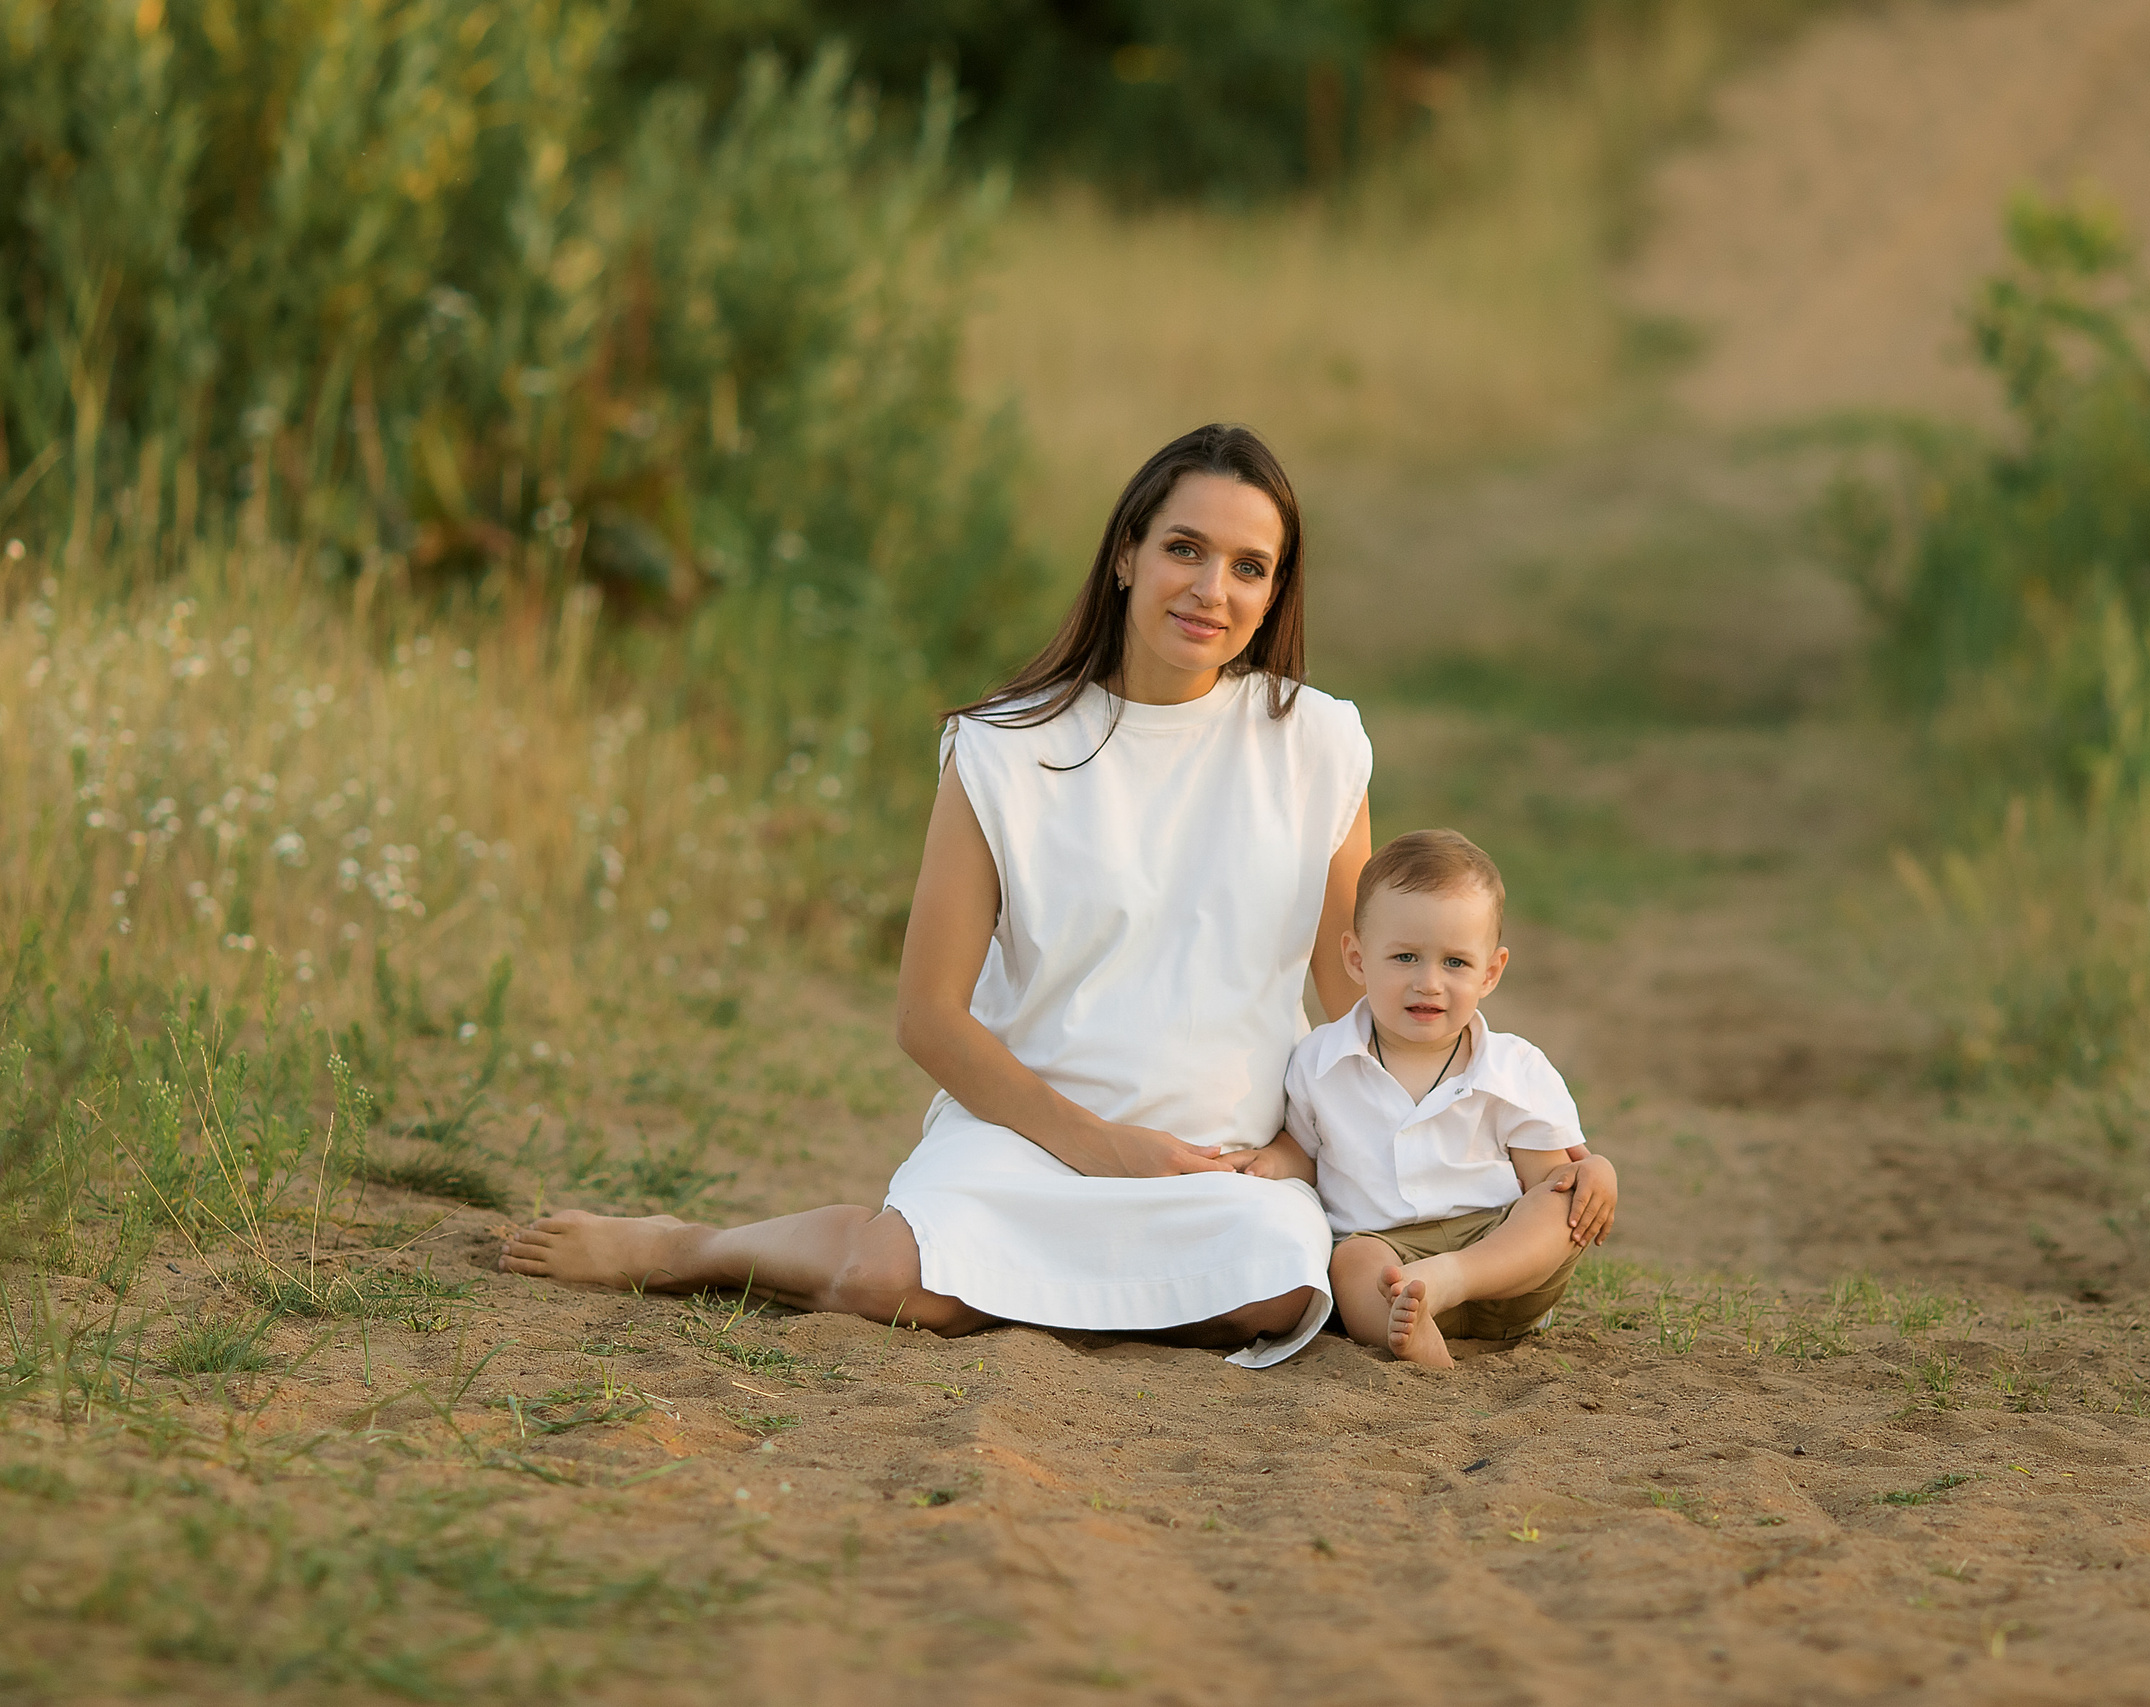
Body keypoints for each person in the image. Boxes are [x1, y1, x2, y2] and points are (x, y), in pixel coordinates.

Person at [498, 423, 1371, 1365]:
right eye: (1184, 549)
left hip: (1224, 1164)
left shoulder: (1314, 746)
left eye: (1251, 567)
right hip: (1027, 1137)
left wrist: (1301, 1152)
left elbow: (1358, 1007)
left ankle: (1024, 1287)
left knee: (1282, 1286)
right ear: (1125, 555)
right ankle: (691, 1247)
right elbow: (928, 1016)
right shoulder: (1003, 748)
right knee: (880, 1277)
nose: (1212, 591)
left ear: (1275, 591)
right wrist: (1099, 1146)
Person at [1242, 829, 1618, 1369]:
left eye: (1455, 963)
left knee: (1559, 1204)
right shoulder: (1319, 1061)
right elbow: (1304, 1151)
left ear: (1491, 971)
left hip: (1497, 1260)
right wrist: (1268, 1164)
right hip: (1389, 1261)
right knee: (1350, 1261)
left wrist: (1594, 1174)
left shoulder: (1515, 1067)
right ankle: (1420, 1347)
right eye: (1405, 957)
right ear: (1356, 958)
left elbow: (1551, 1178)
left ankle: (1447, 1281)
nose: (1428, 982)